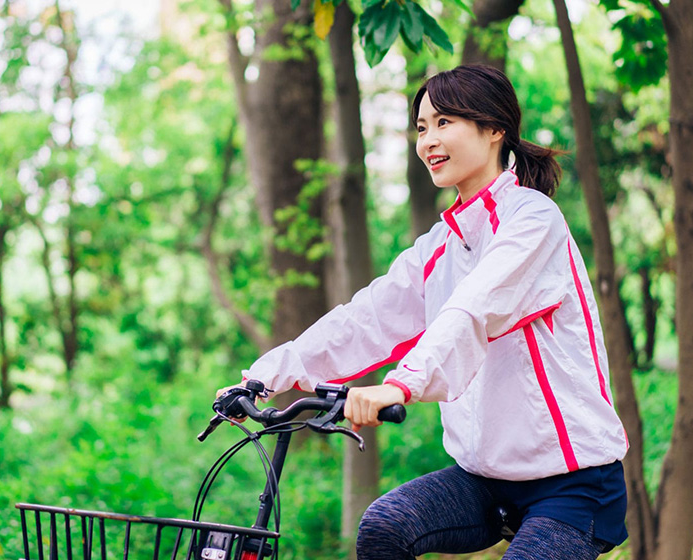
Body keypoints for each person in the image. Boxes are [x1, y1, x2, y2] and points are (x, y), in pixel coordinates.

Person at [218, 65, 628, 559]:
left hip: (572, 483)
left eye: (444, 122)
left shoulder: (534, 220)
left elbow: (473, 310)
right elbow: (366, 318)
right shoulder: (440, 245)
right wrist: (264, 376)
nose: (428, 139)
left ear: (495, 129)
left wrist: (401, 384)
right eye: (421, 127)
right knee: (385, 528)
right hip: (486, 480)